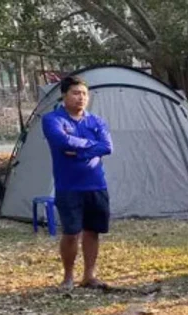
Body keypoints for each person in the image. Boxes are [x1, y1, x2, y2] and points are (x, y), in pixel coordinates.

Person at [42, 75, 113, 290]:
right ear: (64, 95)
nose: (80, 98)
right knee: (71, 232)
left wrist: (79, 152)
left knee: (93, 231)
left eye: (84, 93)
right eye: (75, 93)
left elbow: (107, 147)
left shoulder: (96, 121)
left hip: (96, 184)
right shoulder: (53, 119)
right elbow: (61, 141)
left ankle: (89, 275)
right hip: (69, 186)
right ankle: (68, 277)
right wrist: (91, 146)